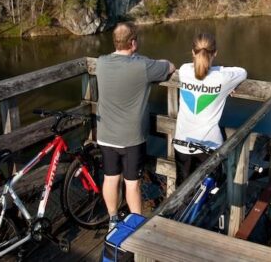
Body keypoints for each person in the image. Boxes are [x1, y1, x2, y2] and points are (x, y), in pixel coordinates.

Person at [96, 22, 175, 230]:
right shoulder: (143, 66)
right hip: (131, 138)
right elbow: (169, 66)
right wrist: (147, 60)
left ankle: (113, 220)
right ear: (133, 43)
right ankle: (136, 224)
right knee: (132, 183)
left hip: (105, 135)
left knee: (110, 178)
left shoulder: (101, 63)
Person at [173, 33, 247, 186]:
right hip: (209, 146)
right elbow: (242, 71)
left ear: (193, 52)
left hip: (182, 142)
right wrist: (222, 75)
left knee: (181, 193)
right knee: (210, 193)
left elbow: (198, 71)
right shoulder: (223, 78)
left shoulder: (185, 70)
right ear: (215, 53)